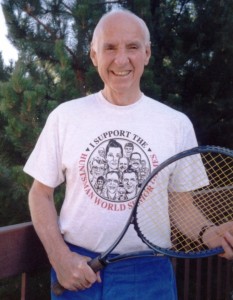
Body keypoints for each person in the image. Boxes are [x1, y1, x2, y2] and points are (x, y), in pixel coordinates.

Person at [24, 8, 233, 300]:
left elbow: (180, 203)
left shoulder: (175, 124)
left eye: (132, 47)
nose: (121, 59)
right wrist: (59, 256)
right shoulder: (66, 117)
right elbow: (40, 194)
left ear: (147, 53)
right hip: (78, 269)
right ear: (94, 55)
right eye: (109, 47)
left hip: (150, 272)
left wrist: (209, 233)